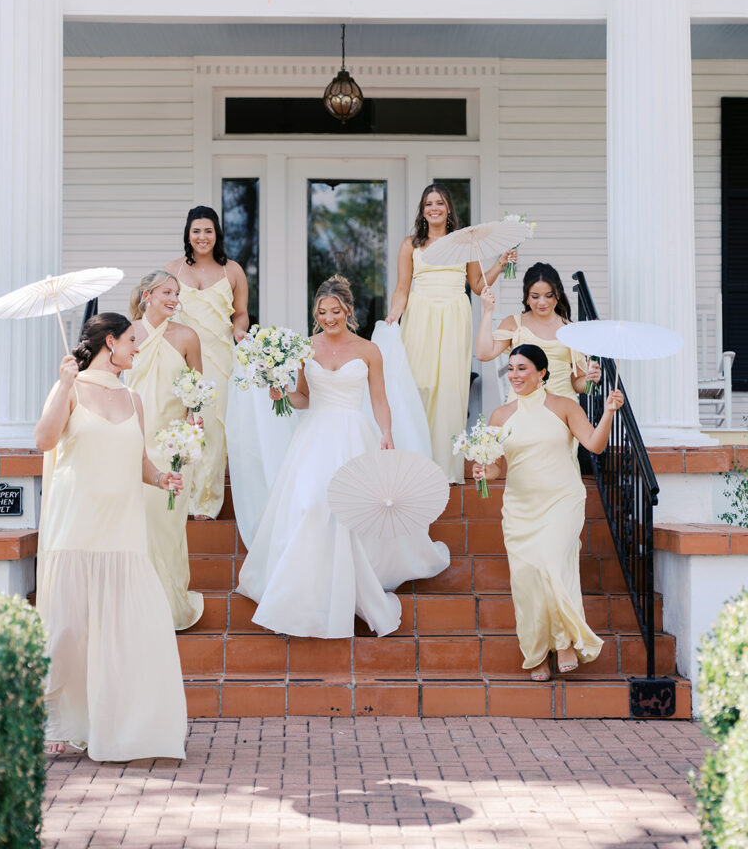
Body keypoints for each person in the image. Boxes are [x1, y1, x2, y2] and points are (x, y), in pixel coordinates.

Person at [237, 275, 450, 638]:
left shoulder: (368, 350)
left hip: (354, 435)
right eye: (322, 312)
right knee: (309, 505)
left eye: (335, 311)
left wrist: (386, 432)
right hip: (314, 438)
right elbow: (303, 397)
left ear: (348, 310)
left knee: (349, 512)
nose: (328, 318)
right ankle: (303, 596)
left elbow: (380, 399)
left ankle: (350, 587)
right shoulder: (305, 347)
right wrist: (282, 394)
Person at [34, 313, 187, 761]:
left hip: (122, 533)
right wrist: (63, 385)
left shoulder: (134, 398)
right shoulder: (72, 387)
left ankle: (122, 724)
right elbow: (43, 440)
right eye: (132, 340)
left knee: (129, 629)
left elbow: (137, 457)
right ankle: (54, 717)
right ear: (110, 341)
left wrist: (160, 478)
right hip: (75, 526)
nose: (138, 348)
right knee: (66, 630)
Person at [472, 344, 623, 681]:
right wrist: (483, 472)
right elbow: (496, 467)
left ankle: (565, 640)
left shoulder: (565, 406)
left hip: (562, 501)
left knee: (551, 564)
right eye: (510, 368)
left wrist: (609, 411)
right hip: (520, 507)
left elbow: (594, 445)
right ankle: (537, 654)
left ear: (542, 372)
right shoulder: (500, 416)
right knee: (526, 580)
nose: (514, 375)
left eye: (522, 368)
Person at [385, 183, 515, 483]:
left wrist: (500, 263)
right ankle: (415, 463)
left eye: (439, 203)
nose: (434, 208)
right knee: (420, 385)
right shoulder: (410, 246)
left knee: (450, 389)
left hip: (456, 314)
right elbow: (402, 289)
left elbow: (479, 286)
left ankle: (445, 468)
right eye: (428, 203)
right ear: (423, 209)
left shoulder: (464, 244)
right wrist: (394, 315)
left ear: (448, 209)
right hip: (420, 314)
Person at [126, 270, 205, 630]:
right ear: (147, 295)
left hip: (173, 443)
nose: (174, 298)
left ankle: (169, 605)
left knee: (167, 526)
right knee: (137, 524)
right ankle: (137, 604)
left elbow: (197, 392)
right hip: (134, 440)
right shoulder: (127, 335)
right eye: (166, 292)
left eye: (177, 293)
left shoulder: (187, 336)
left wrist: (191, 426)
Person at [165, 206, 249, 520]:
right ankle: (176, 497)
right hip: (180, 358)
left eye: (208, 231)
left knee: (212, 429)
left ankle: (205, 503)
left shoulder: (233, 271)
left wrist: (240, 330)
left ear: (217, 234)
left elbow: (240, 313)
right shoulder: (172, 269)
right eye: (197, 231)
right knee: (180, 425)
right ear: (188, 234)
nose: (203, 237)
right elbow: (161, 309)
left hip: (219, 358)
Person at [475, 261, 601, 402]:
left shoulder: (570, 331)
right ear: (527, 298)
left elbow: (577, 384)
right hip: (522, 408)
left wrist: (590, 379)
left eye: (548, 296)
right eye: (535, 296)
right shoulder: (514, 323)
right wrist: (487, 311)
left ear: (558, 295)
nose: (542, 302)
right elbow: (483, 354)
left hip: (560, 409)